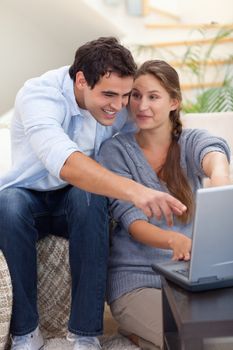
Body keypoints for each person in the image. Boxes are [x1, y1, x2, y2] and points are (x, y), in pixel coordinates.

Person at [0, 39, 187, 350]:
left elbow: (155, 130)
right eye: (109, 95)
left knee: (89, 195)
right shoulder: (39, 95)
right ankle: (25, 332)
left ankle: (86, 334)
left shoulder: (120, 103)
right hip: (30, 197)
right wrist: (134, 191)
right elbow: (64, 161)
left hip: (77, 200)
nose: (119, 105)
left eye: (125, 95)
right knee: (7, 203)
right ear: (81, 80)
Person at [98, 60, 231, 350]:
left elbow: (213, 150)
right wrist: (172, 239)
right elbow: (133, 223)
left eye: (153, 97)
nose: (141, 105)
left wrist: (219, 174)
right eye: (135, 95)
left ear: (173, 102)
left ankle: (140, 339)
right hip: (135, 280)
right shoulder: (115, 151)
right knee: (196, 344)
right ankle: (133, 335)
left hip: (190, 278)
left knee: (220, 339)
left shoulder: (189, 141)